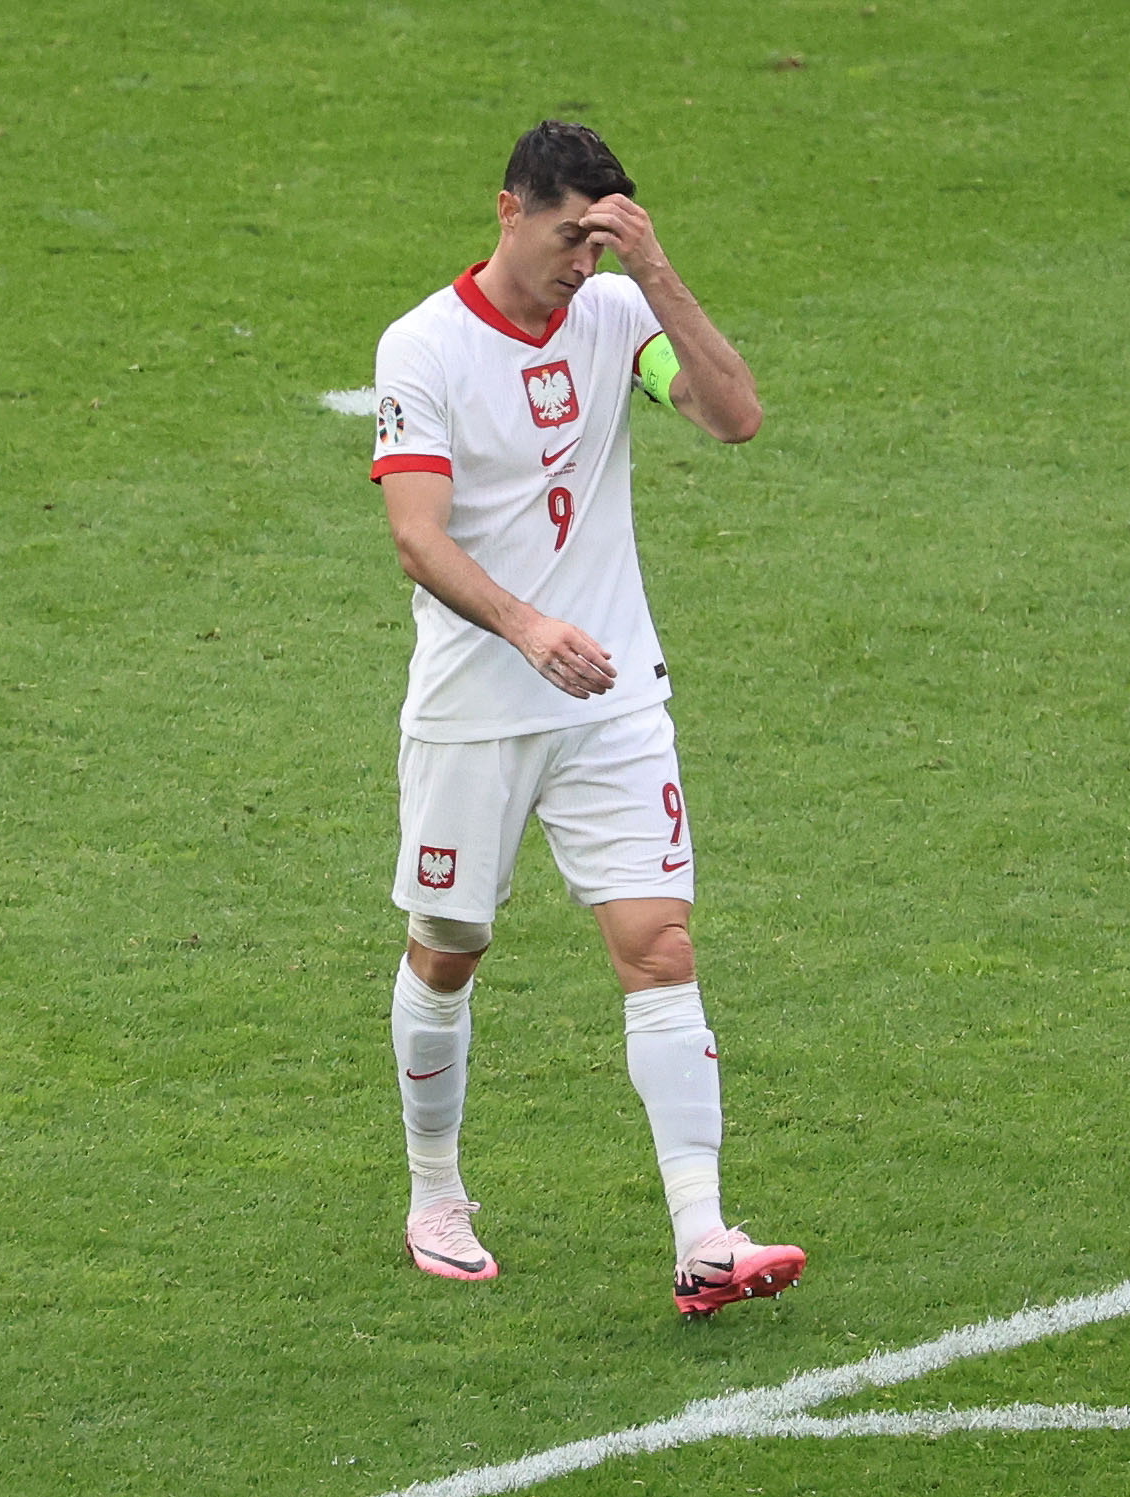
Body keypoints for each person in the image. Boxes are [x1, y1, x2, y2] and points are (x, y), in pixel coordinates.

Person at [367, 120, 802, 1316]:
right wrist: (525, 628)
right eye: (570, 237)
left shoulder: (615, 316)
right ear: (510, 210)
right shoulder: (425, 346)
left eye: (602, 239)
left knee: (659, 946)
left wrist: (652, 273)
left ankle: (704, 1234)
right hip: (477, 710)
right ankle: (435, 1193)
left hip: (612, 693)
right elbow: (417, 534)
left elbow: (733, 416)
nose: (581, 261)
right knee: (449, 950)